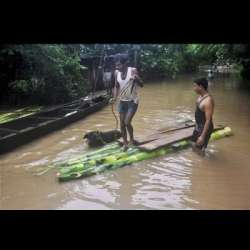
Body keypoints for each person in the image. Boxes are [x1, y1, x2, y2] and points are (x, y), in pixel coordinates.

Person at [110, 53, 143, 151]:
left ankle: (132, 139)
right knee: (122, 124)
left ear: (125, 64)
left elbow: (142, 84)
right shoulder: (116, 73)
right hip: (122, 101)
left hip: (133, 101)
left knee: (127, 122)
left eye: (119, 65)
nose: (117, 67)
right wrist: (114, 98)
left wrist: (136, 78)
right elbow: (116, 86)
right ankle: (125, 143)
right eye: (116, 65)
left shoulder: (132, 70)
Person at [191, 77, 214, 155]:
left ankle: (203, 164)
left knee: (200, 150)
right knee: (194, 146)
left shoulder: (208, 101)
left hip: (204, 129)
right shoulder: (200, 96)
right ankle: (196, 164)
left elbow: (208, 120)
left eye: (195, 86)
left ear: (200, 87)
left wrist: (202, 136)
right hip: (198, 126)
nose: (193, 88)